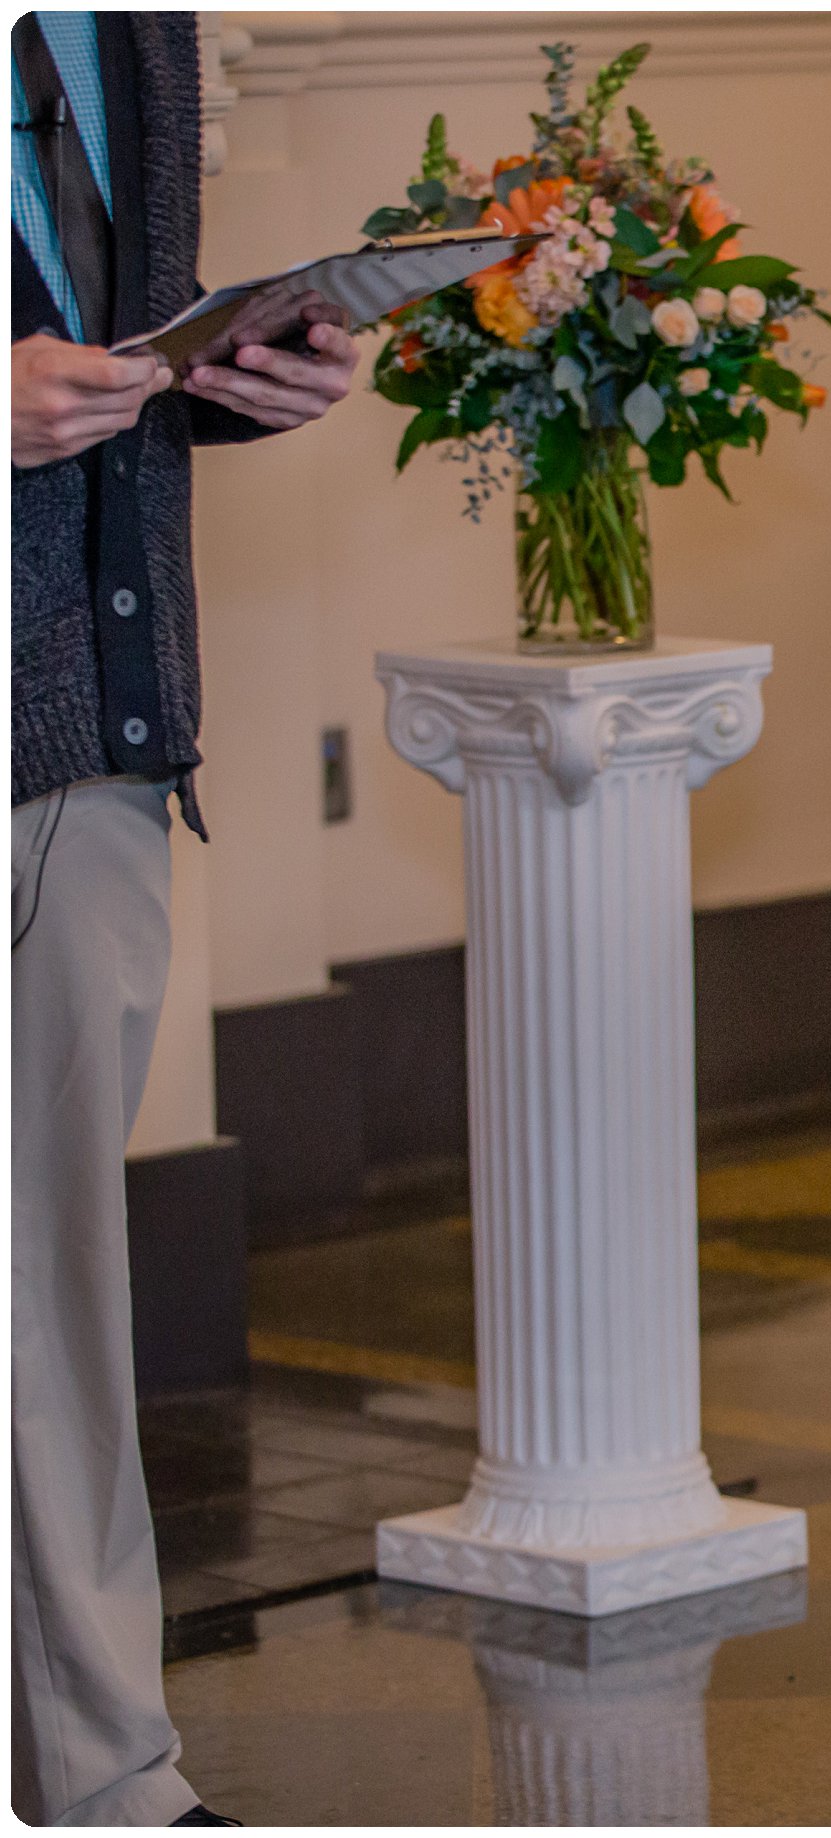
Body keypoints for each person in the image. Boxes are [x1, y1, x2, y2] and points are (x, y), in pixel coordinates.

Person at [11, 10, 357, 1828]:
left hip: (90, 718)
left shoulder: (142, 24)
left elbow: (109, 313)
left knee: (55, 1288)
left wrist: (235, 368)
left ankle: (104, 1779)